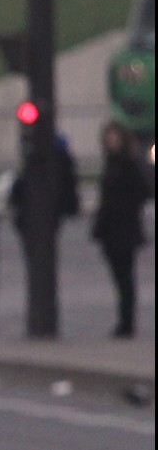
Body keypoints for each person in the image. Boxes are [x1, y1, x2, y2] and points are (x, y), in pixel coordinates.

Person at [90, 120, 152, 338]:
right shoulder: (111, 163)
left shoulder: (128, 164)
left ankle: (127, 322)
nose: (111, 141)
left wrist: (123, 205)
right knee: (120, 277)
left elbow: (143, 191)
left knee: (125, 278)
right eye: (109, 137)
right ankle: (125, 321)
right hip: (112, 229)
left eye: (114, 137)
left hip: (124, 228)